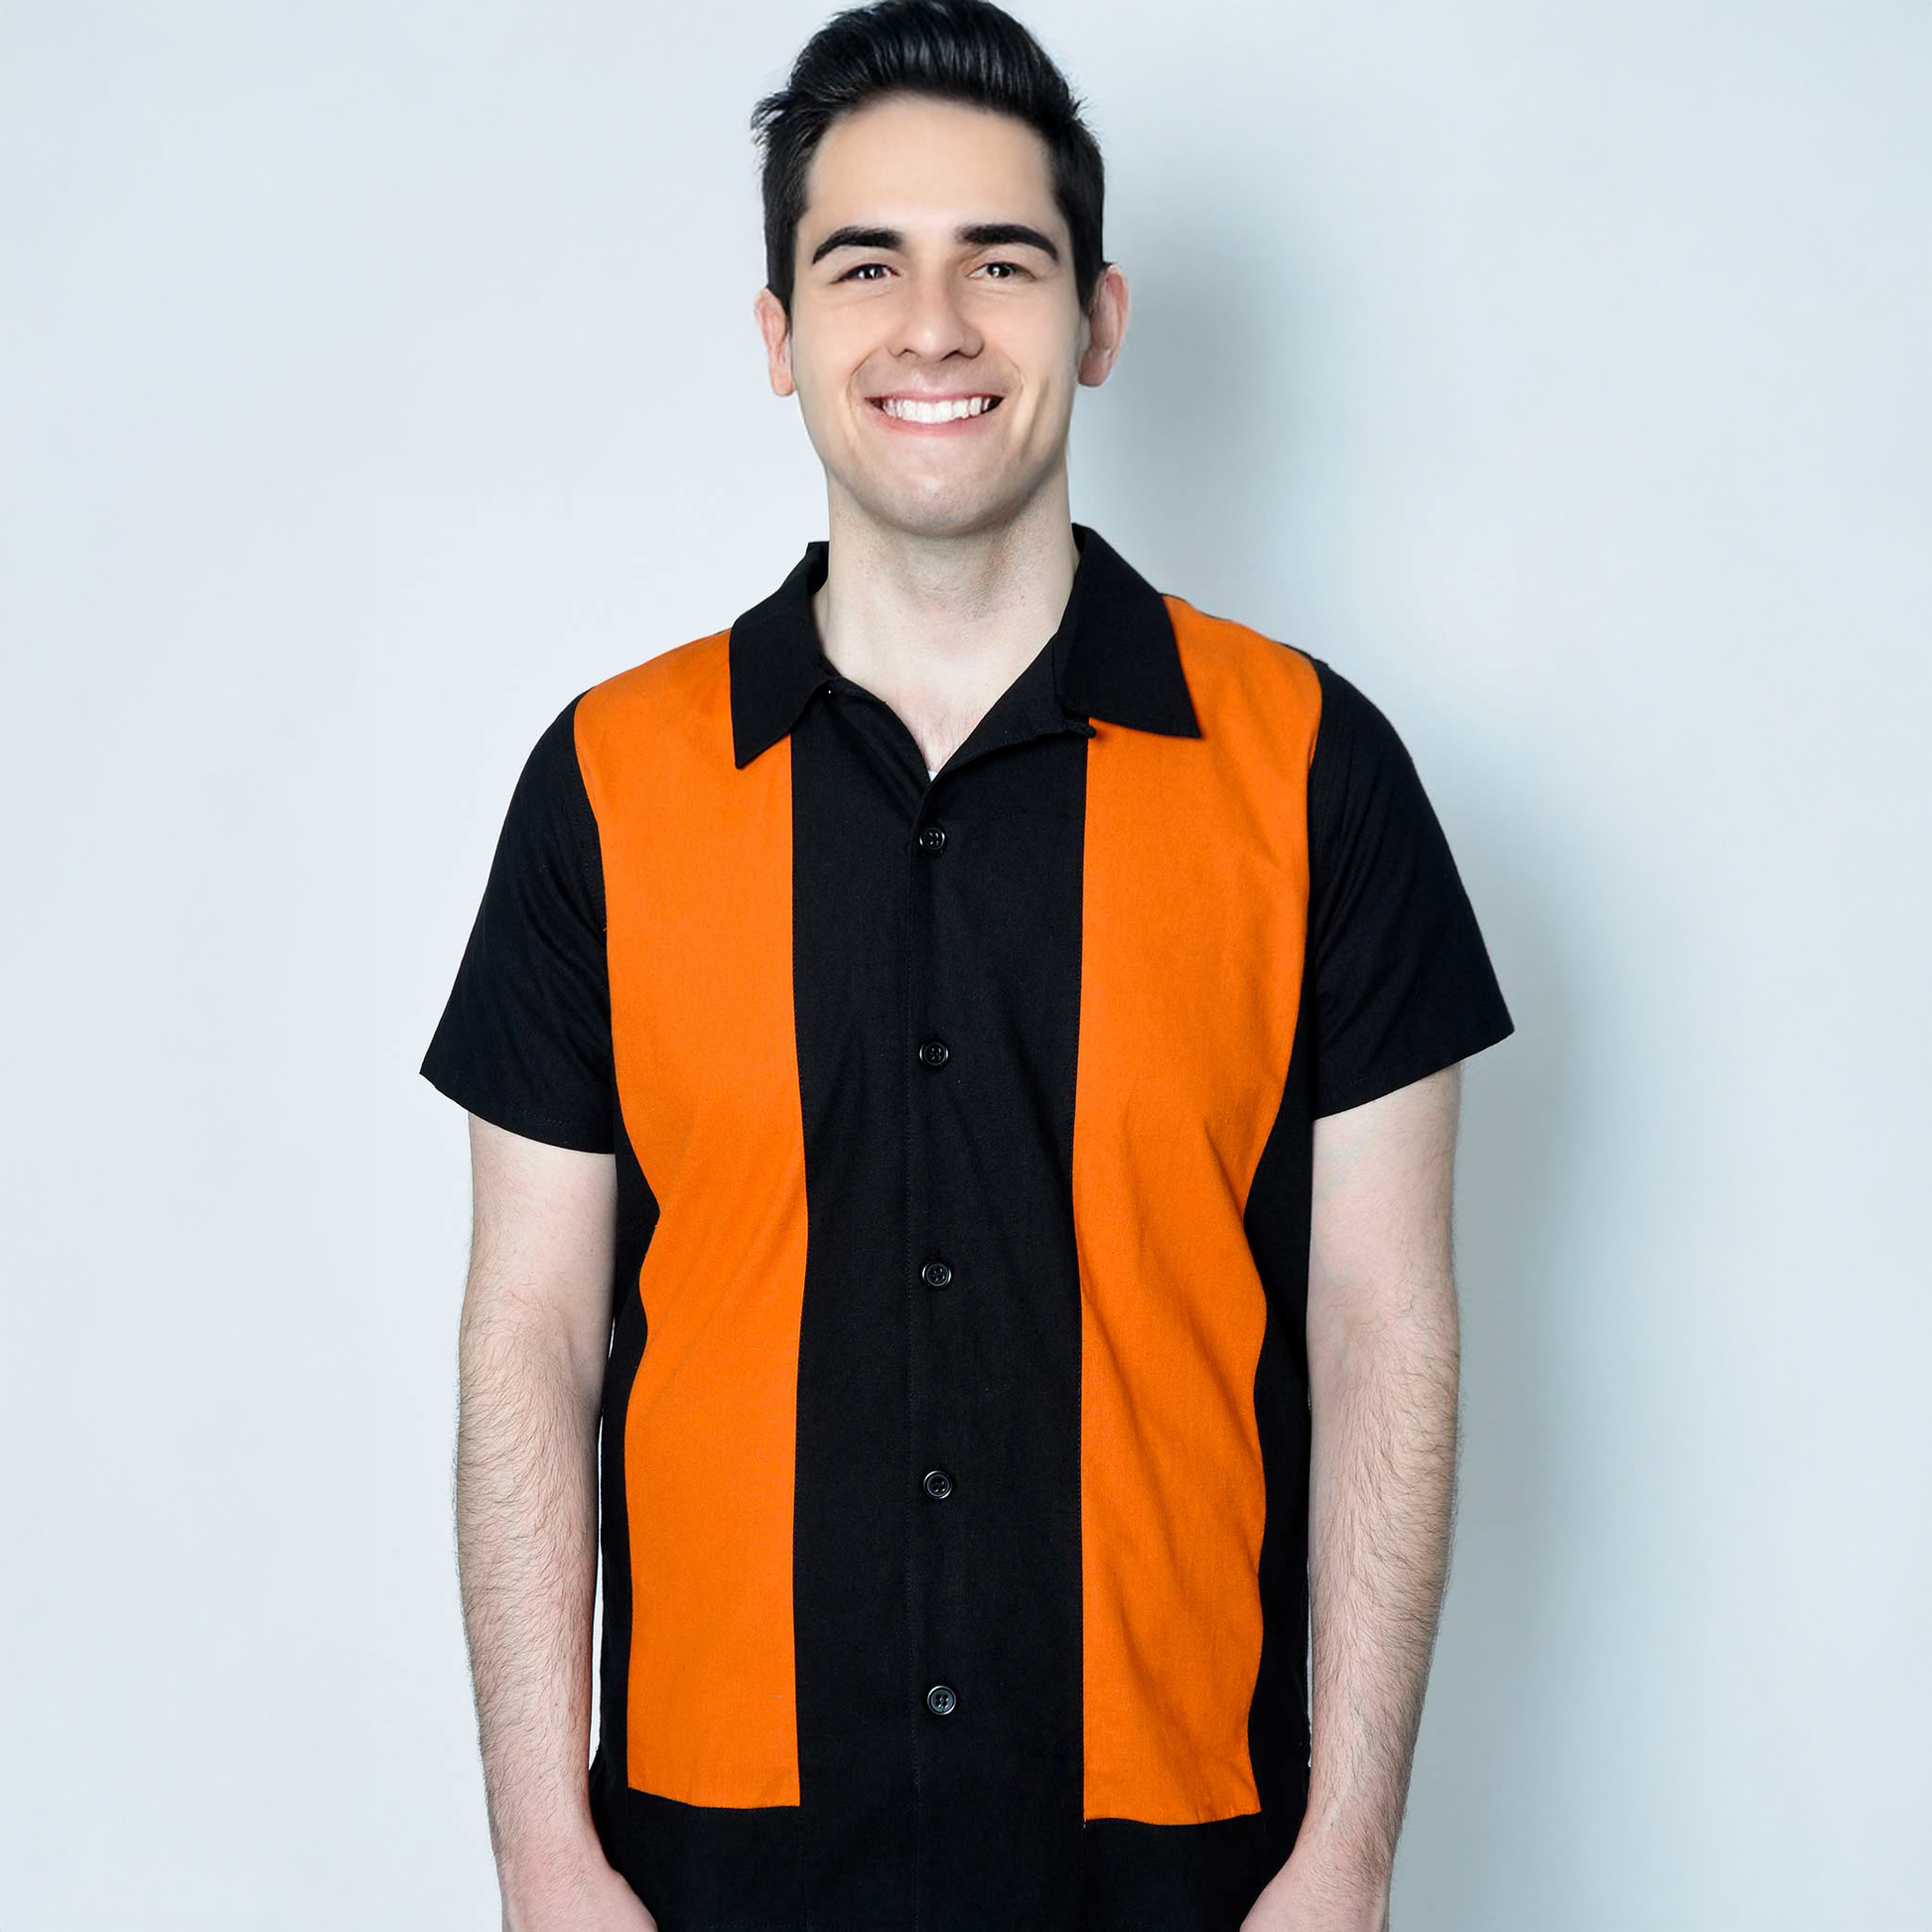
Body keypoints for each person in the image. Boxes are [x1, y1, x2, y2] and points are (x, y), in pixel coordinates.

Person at [419, 3, 1517, 1928]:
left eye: (998, 262)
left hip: (1186, 1860)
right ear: (779, 334)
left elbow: (1381, 1328)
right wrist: (541, 1848)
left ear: (1097, 318)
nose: (931, 326)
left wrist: (1345, 1852)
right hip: (708, 1863)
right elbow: (530, 1329)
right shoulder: (609, 782)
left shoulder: (1310, 770)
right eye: (865, 265)